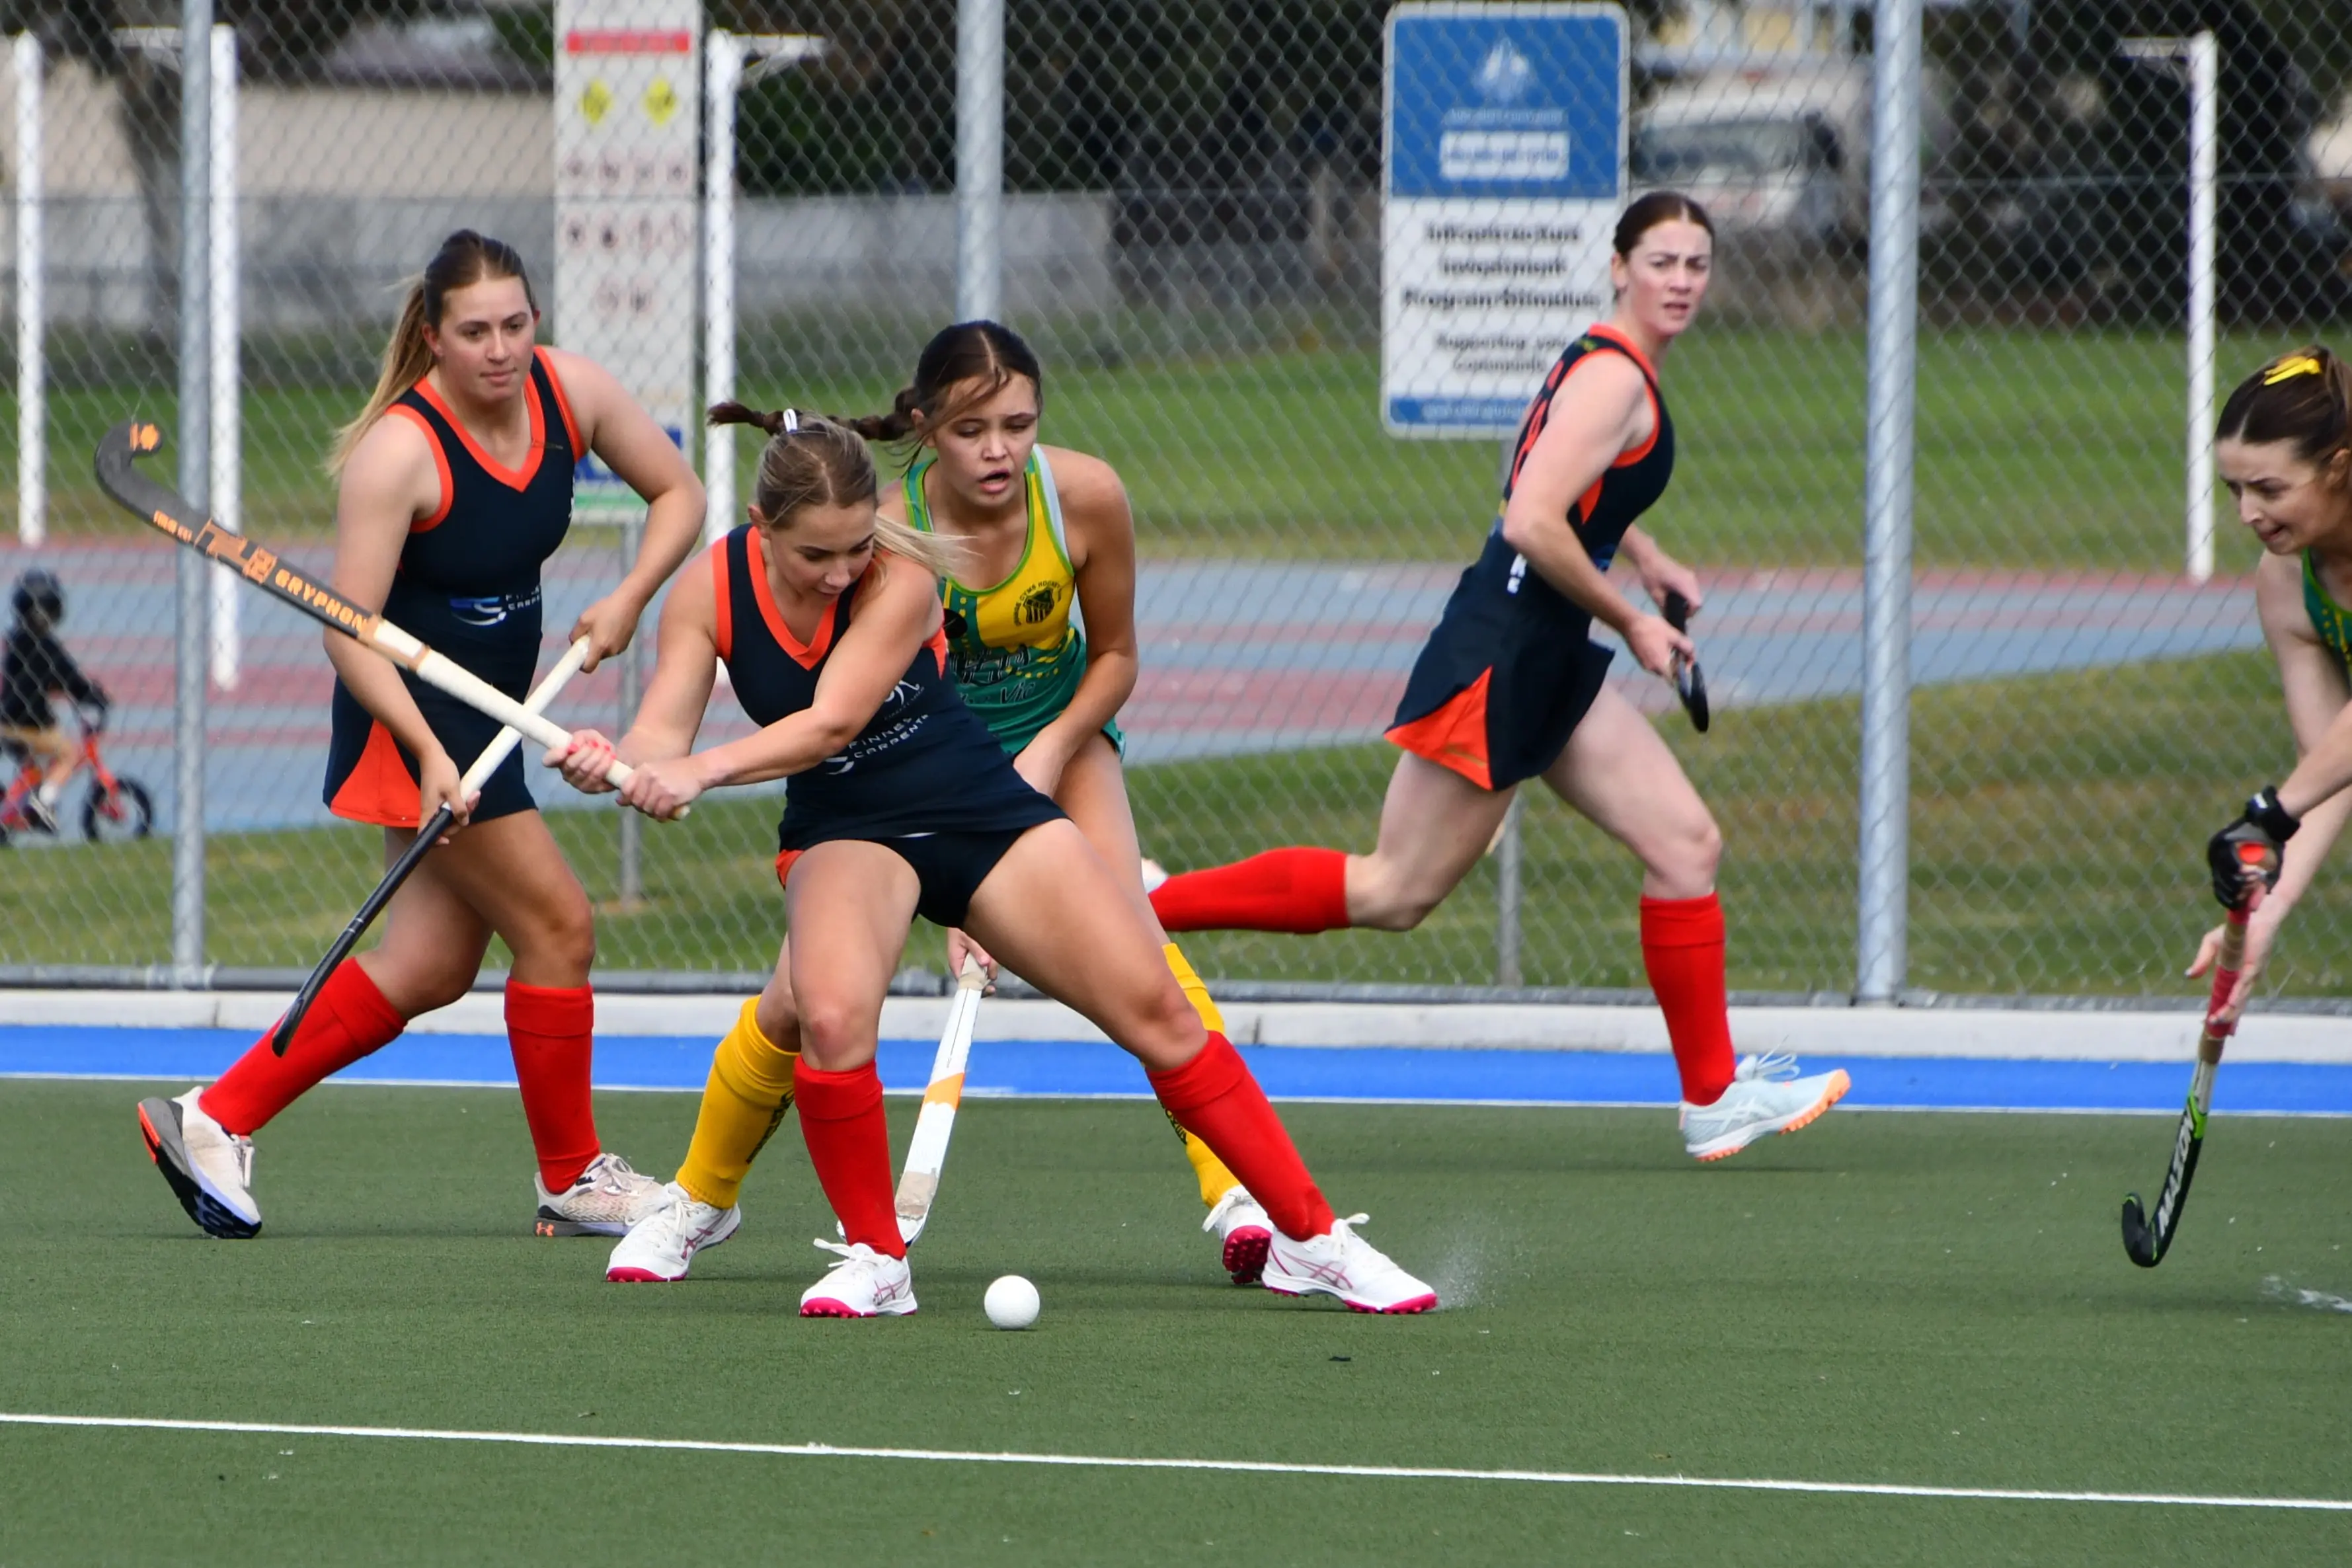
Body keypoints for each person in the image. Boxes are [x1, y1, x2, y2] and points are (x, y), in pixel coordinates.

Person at [555, 407, 1435, 1316]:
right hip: (847, 828)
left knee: (1156, 1013)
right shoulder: (710, 588)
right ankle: (875, 1260)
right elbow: (662, 730)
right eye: (815, 556)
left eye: (853, 547)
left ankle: (1314, 1239)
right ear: (760, 524)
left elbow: (833, 721)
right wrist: (621, 763)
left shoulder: (900, 574)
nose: (839, 571)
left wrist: (698, 770)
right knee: (827, 1013)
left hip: (968, 804)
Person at [1144, 192, 1849, 1161]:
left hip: (1546, 646)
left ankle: (1712, 1098)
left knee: (1685, 844)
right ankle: (1138, 908)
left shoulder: (1604, 365)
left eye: (1696, 263)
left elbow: (1548, 486)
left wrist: (1638, 552)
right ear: (1618, 268)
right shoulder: (1615, 380)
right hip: (1505, 648)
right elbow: (1527, 519)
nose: (1680, 280)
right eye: (1661, 262)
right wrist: (1634, 620)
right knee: (1395, 890)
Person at [134, 230, 705, 1241]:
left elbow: (681, 496)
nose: (500, 350)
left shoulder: (572, 393)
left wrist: (624, 599)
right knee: (559, 927)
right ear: (433, 337)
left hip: (492, 709)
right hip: (410, 715)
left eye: (516, 325)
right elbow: (349, 638)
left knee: (434, 964)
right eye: (475, 331)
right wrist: (430, 754)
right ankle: (573, 1175)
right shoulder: (399, 452)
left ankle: (216, 1115)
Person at [2196, 347, 2352, 1003]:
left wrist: (2271, 814)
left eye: (2269, 488)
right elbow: (2327, 766)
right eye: (2235, 489)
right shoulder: (2287, 581)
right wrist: (2267, 909)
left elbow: (2296, 797)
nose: (2247, 514)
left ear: (2339, 468)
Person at [1, 570, 110, 834]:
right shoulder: (47, 647)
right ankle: (44, 803)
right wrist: (92, 696)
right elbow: (71, 678)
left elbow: (40, 678)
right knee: (69, 754)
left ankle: (23, 807)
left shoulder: (15, 640)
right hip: (30, 723)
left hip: (6, 719)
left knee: (37, 765)